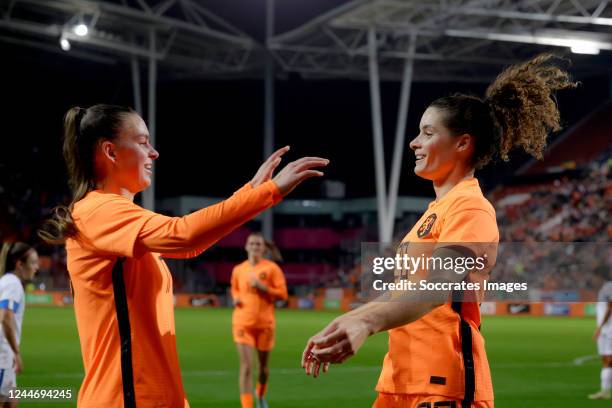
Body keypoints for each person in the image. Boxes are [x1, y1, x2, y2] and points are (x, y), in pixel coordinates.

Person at [302, 54, 576, 408]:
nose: (415, 142)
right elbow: (408, 290)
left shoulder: (471, 207)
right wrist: (348, 319)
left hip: (443, 386)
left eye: (428, 133)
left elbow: (434, 288)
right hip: (400, 381)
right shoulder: (433, 213)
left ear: (463, 144)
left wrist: (366, 324)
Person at [38, 104, 328, 407]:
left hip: (149, 395)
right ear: (110, 151)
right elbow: (184, 235)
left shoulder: (111, 213)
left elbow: (189, 242)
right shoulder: (99, 211)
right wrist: (267, 192)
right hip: (127, 397)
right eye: (142, 142)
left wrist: (250, 192)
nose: (154, 152)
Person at [231, 232, 287, 408]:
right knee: (246, 367)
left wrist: (263, 287)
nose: (255, 247)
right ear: (246, 246)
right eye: (252, 243)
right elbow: (234, 288)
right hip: (242, 323)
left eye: (258, 244)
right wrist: (236, 297)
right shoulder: (238, 269)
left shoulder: (272, 269)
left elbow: (283, 295)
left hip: (265, 325)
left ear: (263, 248)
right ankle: (247, 406)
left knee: (263, 368)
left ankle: (261, 395)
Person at [0, 242, 39, 407]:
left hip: (5, 356)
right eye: (33, 262)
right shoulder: (13, 284)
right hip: (3, 356)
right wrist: (16, 352)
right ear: (19, 264)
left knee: (11, 402)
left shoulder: (6, 281)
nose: (36, 267)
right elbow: (5, 317)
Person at [589, 278, 612, 400]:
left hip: (609, 332)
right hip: (604, 332)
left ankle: (605, 391)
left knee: (608, 361)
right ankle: (605, 390)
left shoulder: (608, 288)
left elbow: (609, 308)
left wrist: (600, 327)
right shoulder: (603, 291)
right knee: (606, 361)